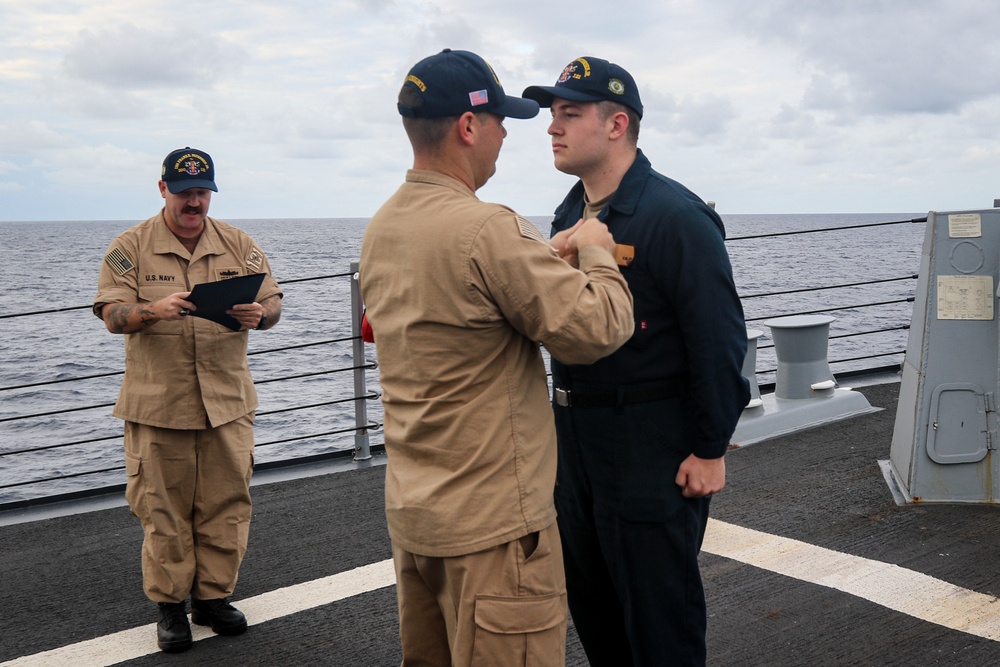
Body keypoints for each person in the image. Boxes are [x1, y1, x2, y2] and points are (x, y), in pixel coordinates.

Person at [359, 49, 635, 665]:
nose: (508, 134)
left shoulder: (383, 227)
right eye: (500, 121)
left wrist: (543, 260)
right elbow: (599, 329)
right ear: (467, 127)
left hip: (417, 521)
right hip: (493, 531)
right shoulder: (488, 229)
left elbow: (448, 312)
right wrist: (595, 249)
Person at [522, 58, 750, 666]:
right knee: (596, 616)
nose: (552, 127)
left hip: (651, 445)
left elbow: (720, 341)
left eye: (570, 114)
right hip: (576, 443)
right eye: (552, 115)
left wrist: (710, 448)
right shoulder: (571, 216)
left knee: (659, 624)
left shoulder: (676, 217)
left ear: (617, 122)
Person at [93, 147, 283, 653]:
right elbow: (111, 312)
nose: (194, 202)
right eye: (184, 193)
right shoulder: (130, 246)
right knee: (164, 508)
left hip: (227, 400)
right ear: (163, 191)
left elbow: (273, 301)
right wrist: (151, 311)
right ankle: (171, 606)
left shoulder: (238, 243)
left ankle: (214, 598)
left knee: (227, 502)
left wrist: (258, 316)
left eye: (202, 193)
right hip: (160, 404)